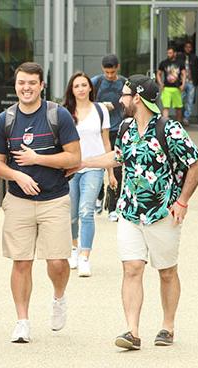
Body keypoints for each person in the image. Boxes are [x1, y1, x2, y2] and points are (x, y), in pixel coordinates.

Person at [77, 74, 198, 350]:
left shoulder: (169, 130)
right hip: (130, 212)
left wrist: (182, 201)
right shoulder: (125, 127)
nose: (119, 99)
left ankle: (167, 326)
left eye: (124, 95)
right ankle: (132, 332)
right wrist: (84, 162)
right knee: (132, 268)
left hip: (163, 213)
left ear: (137, 97)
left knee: (167, 272)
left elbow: (197, 162)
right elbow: (118, 156)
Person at [0, 62, 81, 343]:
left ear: (42, 85)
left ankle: (59, 297)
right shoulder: (5, 120)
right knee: (21, 262)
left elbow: (74, 158)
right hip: (18, 201)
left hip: (54, 198)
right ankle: (22, 321)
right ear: (15, 86)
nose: (26, 88)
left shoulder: (58, 115)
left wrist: (37, 159)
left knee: (56, 262)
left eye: (31, 83)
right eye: (21, 83)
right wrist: (18, 175)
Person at [63, 71, 111, 277]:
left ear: (90, 87)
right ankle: (73, 249)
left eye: (84, 85)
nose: (81, 89)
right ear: (71, 90)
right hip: (71, 170)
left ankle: (85, 257)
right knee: (72, 214)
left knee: (86, 211)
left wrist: (112, 172)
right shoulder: (65, 112)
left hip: (94, 167)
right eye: (77, 86)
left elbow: (106, 142)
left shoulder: (100, 110)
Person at [91, 54, 125, 221]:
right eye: (107, 72)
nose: (110, 75)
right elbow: (86, 102)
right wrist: (100, 106)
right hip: (99, 129)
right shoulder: (96, 82)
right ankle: (99, 195)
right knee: (97, 165)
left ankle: (113, 206)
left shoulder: (124, 83)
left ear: (117, 68)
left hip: (118, 129)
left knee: (117, 169)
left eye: (112, 72)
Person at [156, 47, 187, 121]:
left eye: (170, 53)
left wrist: (183, 84)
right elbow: (158, 73)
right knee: (166, 107)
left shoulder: (180, 63)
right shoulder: (164, 63)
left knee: (178, 107)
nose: (168, 55)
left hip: (177, 88)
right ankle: (164, 124)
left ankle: (178, 123)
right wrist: (160, 83)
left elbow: (184, 74)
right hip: (166, 88)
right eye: (168, 53)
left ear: (174, 53)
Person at [180, 41, 198, 126]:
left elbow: (197, 70)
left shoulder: (194, 57)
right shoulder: (180, 57)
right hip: (182, 82)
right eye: (186, 47)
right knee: (181, 100)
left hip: (191, 82)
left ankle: (186, 118)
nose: (188, 48)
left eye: (189, 47)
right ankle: (180, 117)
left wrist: (196, 82)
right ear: (184, 48)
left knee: (189, 101)